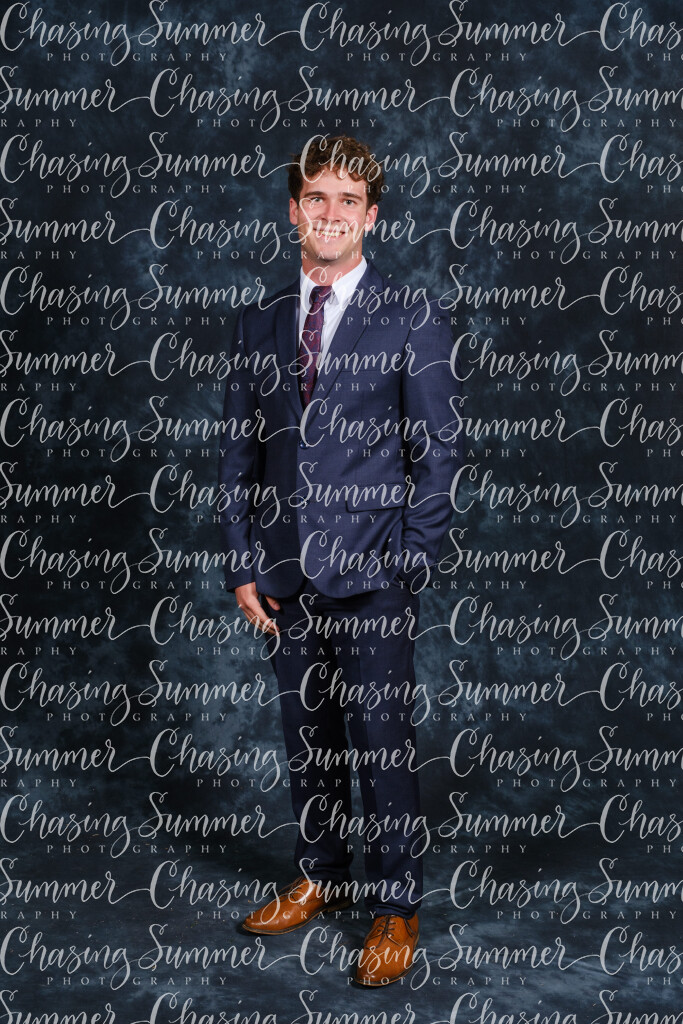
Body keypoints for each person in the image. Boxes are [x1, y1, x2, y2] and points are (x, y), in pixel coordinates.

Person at [218, 135, 459, 986]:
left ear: (371, 216)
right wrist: (241, 564)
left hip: (373, 578)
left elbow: (438, 453)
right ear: (293, 210)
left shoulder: (411, 316)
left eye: (347, 200)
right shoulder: (257, 322)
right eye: (315, 197)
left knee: (381, 746)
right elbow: (238, 456)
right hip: (284, 576)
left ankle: (395, 907)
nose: (330, 213)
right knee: (307, 739)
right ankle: (319, 874)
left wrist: (407, 562)